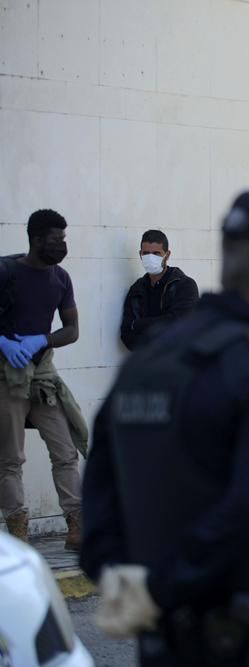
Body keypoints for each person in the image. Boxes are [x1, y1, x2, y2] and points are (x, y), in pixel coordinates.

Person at [79, 190, 249, 665]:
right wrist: (163, 585)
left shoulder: (153, 357)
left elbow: (99, 481)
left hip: (163, 643)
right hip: (247, 642)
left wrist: (116, 572)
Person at [0, 209, 86, 551]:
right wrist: (3, 342)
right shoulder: (6, 273)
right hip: (7, 374)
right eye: (56, 240)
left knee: (65, 450)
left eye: (64, 239)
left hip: (43, 374)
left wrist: (42, 340)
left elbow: (72, 330)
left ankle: (77, 526)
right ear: (36, 239)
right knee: (10, 458)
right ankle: (18, 528)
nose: (62, 245)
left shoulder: (61, 279)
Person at [120, 230, 200, 351]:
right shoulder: (137, 289)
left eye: (156, 253)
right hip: (146, 362)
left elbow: (179, 324)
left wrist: (139, 324)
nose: (150, 258)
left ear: (167, 255)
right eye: (146, 253)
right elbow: (126, 333)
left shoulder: (185, 285)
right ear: (140, 254)